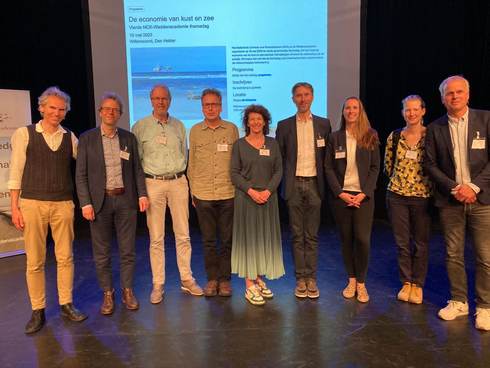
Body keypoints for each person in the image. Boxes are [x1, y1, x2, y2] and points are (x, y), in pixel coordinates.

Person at [8, 86, 87, 334]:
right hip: (32, 204)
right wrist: (15, 207)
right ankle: (37, 310)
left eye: (61, 109)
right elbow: (15, 171)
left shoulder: (70, 137)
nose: (57, 112)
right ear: (41, 108)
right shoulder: (25, 133)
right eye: (52, 107)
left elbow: (85, 165)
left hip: (63, 204)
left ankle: (66, 304)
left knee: (66, 257)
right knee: (35, 261)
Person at [424, 75, 490, 331]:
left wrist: (472, 187)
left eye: (459, 92)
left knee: (485, 256)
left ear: (468, 95)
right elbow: (430, 164)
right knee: (453, 254)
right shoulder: (435, 127)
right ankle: (459, 301)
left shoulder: (485, 120)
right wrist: (455, 188)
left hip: (481, 198)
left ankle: (484, 306)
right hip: (450, 200)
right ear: (442, 98)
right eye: (449, 93)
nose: (454, 96)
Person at [76, 92, 149, 315]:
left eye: (115, 110)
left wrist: (142, 194)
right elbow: (81, 175)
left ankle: (127, 290)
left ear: (120, 114)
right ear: (100, 112)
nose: (110, 112)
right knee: (102, 253)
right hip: (99, 203)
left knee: (127, 250)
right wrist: (85, 203)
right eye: (106, 109)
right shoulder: (87, 138)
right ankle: (108, 293)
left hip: (126, 201)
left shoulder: (128, 138)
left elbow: (137, 169)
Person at [132, 84, 203, 304]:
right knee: (156, 238)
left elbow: (185, 156)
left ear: (170, 100)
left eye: (164, 98)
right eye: (156, 98)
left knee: (183, 235)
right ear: (150, 101)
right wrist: (141, 191)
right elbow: (137, 163)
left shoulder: (180, 126)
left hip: (178, 181)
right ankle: (158, 284)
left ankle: (187, 279)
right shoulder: (140, 127)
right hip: (153, 183)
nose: (161, 102)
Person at [276, 82, 331, 299]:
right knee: (297, 235)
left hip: (315, 185)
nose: (302, 99)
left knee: (313, 235)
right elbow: (279, 158)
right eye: (298, 95)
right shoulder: (284, 125)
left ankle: (312, 278)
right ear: (293, 99)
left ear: (313, 97)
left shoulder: (324, 125)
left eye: (306, 94)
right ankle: (301, 279)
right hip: (294, 185)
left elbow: (327, 158)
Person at [325, 96, 380, 303]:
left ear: (360, 111)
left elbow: (375, 168)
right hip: (341, 196)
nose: (351, 111)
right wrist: (340, 193)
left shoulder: (370, 135)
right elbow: (328, 167)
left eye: (355, 107)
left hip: (364, 197)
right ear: (343, 112)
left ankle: (362, 283)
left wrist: (364, 193)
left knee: (363, 240)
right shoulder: (334, 138)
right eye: (347, 107)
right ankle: (351, 279)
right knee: (346, 239)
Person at [231, 104, 284, 306]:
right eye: (252, 119)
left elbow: (279, 170)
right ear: (247, 122)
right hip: (247, 198)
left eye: (259, 119)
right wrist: (252, 192)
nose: (255, 122)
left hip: (268, 199)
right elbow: (234, 173)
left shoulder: (273, 144)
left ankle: (258, 278)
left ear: (265, 121)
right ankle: (248, 284)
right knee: (249, 240)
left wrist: (268, 191)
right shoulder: (239, 145)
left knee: (263, 239)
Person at [187, 89, 239, 297]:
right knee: (208, 240)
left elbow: (237, 161)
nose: (210, 108)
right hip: (204, 193)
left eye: (214, 104)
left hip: (228, 192)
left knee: (227, 240)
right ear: (202, 107)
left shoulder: (231, 129)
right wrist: (193, 192)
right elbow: (192, 163)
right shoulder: (195, 131)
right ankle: (212, 279)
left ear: (221, 106)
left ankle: (225, 280)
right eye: (207, 105)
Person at [384, 95, 432, 304]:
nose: (411, 113)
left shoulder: (432, 136)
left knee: (420, 243)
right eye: (407, 110)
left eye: (415, 109)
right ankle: (406, 282)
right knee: (402, 243)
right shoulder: (394, 136)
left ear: (423, 111)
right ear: (403, 112)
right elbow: (388, 166)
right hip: (397, 196)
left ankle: (418, 284)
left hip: (422, 197)